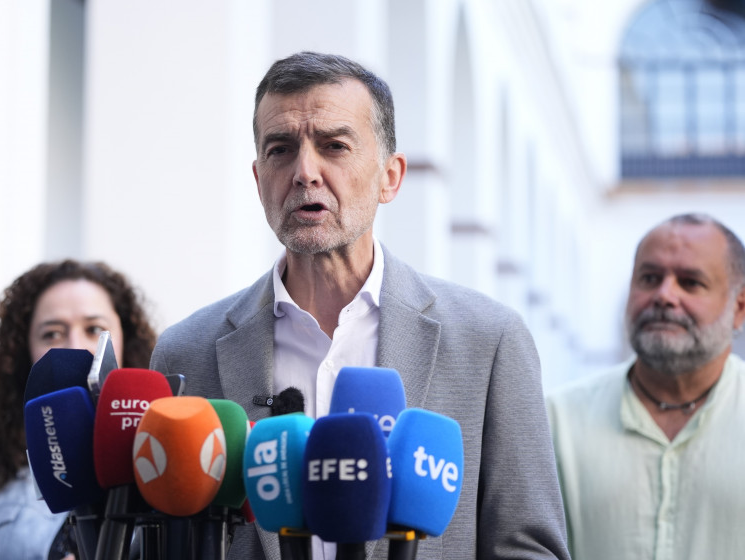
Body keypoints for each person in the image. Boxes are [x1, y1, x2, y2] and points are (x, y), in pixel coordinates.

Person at [149, 51, 570, 560]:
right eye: (281, 149)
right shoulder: (185, 353)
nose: (305, 171)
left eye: (334, 146)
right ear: (259, 181)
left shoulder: (489, 341)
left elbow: (528, 548)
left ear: (390, 176)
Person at [547, 213, 745, 559]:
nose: (664, 295)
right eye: (650, 278)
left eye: (690, 282)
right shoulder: (555, 422)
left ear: (739, 308)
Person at [0, 259, 157, 560]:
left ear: (125, 341)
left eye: (94, 329)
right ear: (22, 350)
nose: (75, 346)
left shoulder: (158, 455)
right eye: (52, 333)